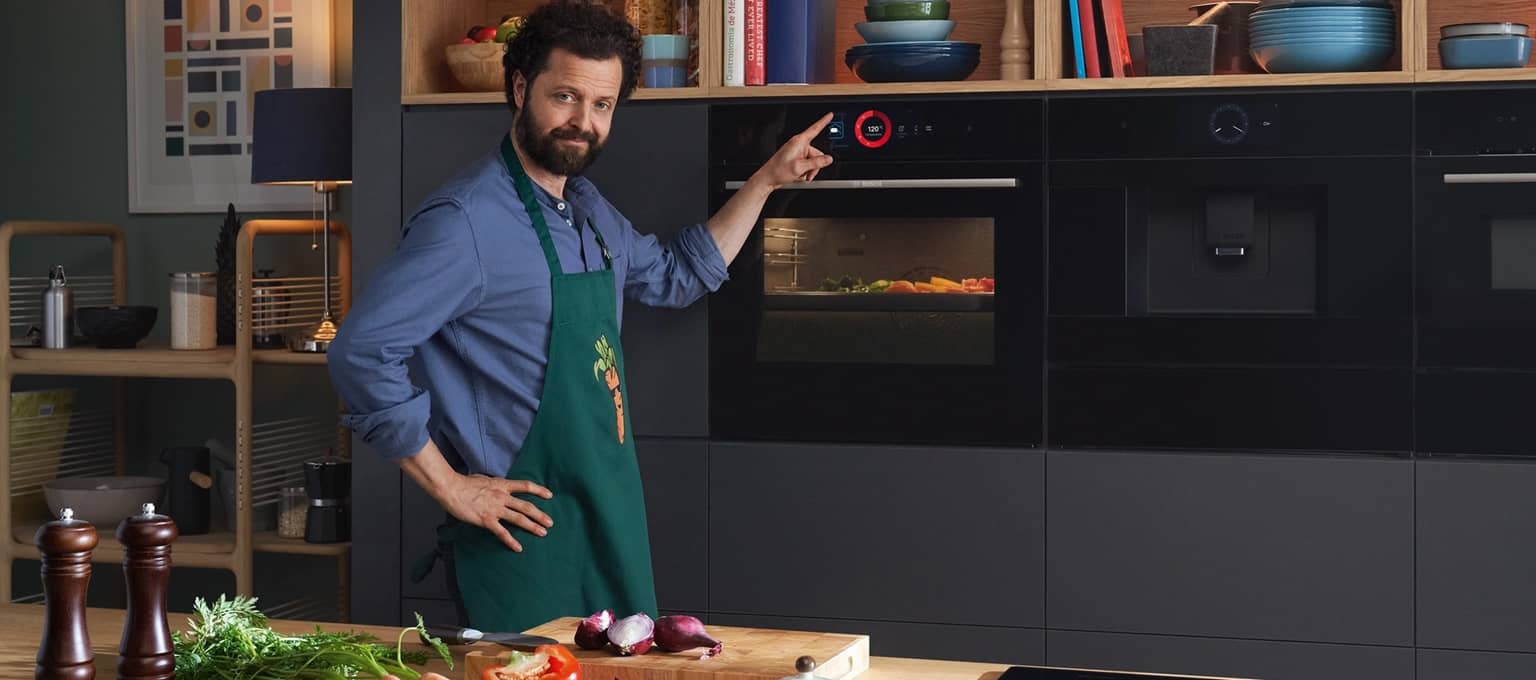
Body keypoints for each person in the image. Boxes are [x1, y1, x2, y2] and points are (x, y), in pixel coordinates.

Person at [328, 0, 831, 633]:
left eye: (601, 106)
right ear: (519, 88)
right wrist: (452, 486)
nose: (582, 123)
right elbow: (361, 353)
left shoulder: (588, 211)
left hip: (606, 515)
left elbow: (677, 276)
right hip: (524, 537)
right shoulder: (465, 224)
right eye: (564, 97)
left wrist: (765, 181)